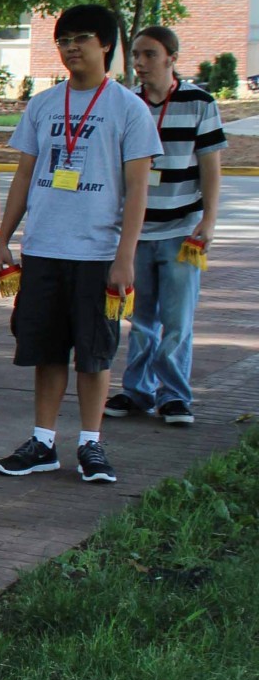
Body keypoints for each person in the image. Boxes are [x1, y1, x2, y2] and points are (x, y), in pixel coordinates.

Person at [0, 5, 160, 485]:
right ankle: (43, 441)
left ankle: (91, 443)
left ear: (105, 44)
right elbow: (24, 175)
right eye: (63, 40)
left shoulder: (128, 108)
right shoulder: (44, 104)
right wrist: (3, 241)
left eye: (81, 39)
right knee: (44, 348)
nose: (70, 48)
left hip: (99, 254)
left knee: (95, 351)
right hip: (44, 248)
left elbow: (138, 188)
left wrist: (125, 256)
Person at [106, 26, 224, 425]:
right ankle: (136, 392)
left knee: (176, 320)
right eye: (135, 55)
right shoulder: (125, 103)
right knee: (138, 319)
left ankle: (174, 396)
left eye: (149, 54)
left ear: (171, 57)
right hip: (136, 232)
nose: (139, 62)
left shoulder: (199, 102)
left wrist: (208, 219)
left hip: (180, 230)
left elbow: (209, 166)